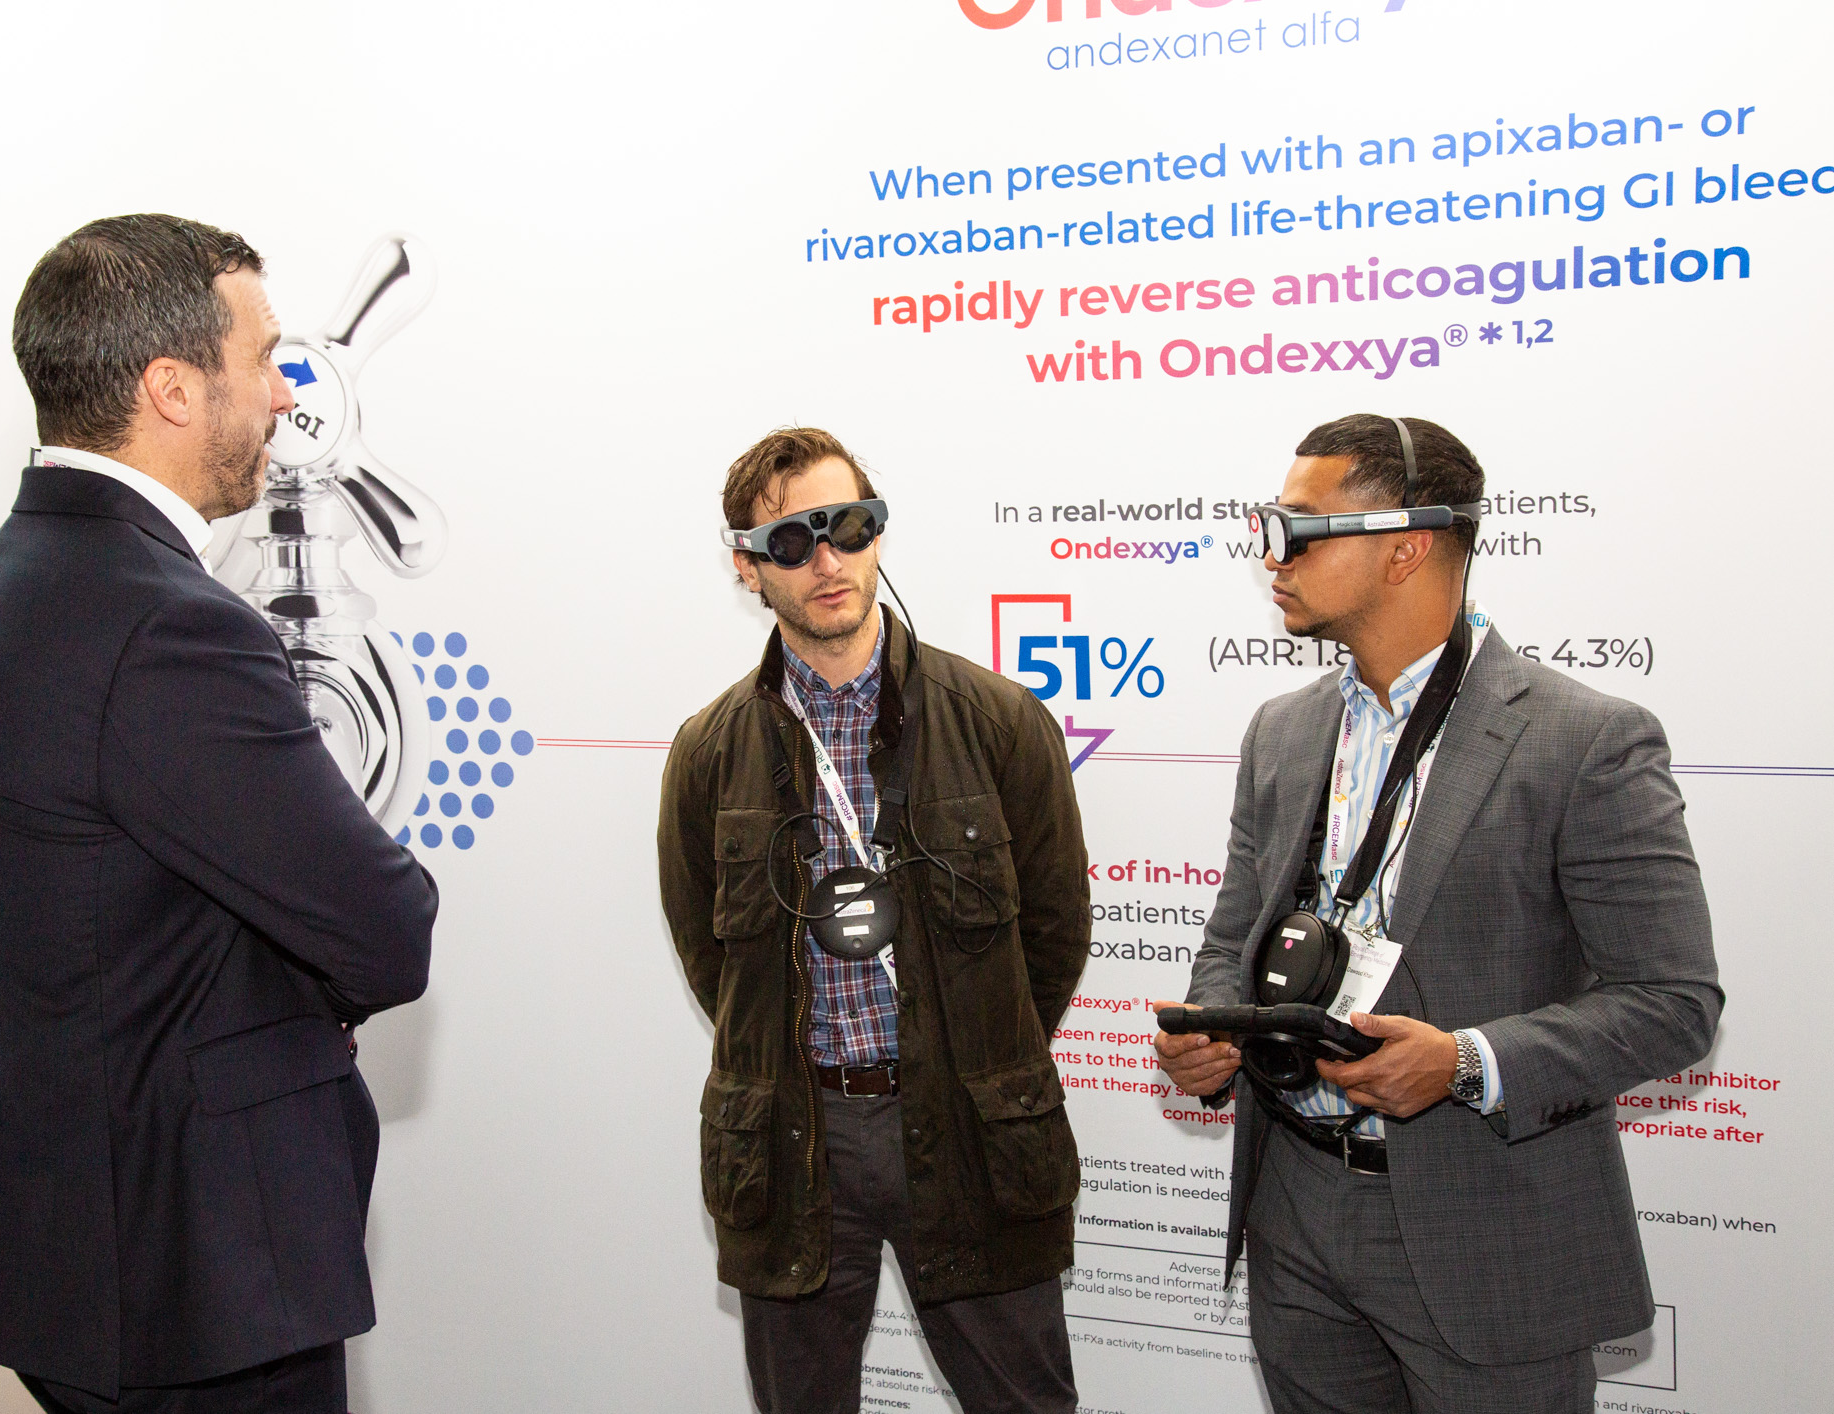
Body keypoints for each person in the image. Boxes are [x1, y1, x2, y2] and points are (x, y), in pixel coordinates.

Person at [0, 214, 438, 1414]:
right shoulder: (171, 626)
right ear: (173, 389)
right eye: (263, 359)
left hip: (81, 1268)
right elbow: (385, 927)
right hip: (203, 1283)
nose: (283, 393)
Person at [1153, 414, 1720, 1413]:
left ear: (1406, 547)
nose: (1270, 554)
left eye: (1297, 528)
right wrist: (1213, 1029)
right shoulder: (1282, 731)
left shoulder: (1585, 740)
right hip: (1293, 1206)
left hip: (1484, 1224)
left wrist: (1463, 1062)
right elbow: (1233, 936)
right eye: (1268, 525)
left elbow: (1673, 1002)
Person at [656, 428, 1091, 1414]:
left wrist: (975, 1051)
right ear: (746, 565)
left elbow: (1055, 931)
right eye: (791, 539)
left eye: (848, 526)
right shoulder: (708, 750)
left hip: (972, 1133)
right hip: (796, 1140)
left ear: (877, 534)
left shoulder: (998, 720)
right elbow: (711, 956)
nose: (827, 559)